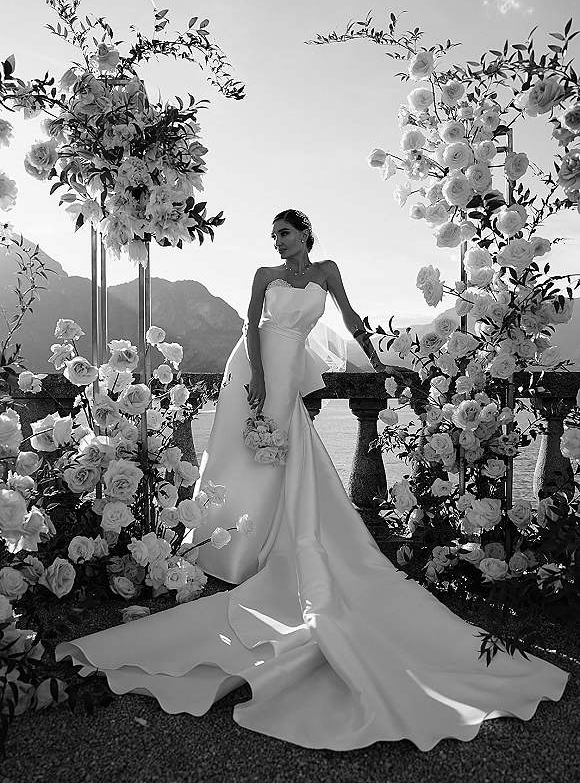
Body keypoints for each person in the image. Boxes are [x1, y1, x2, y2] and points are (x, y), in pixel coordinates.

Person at [57, 209, 569, 752]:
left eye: (285, 233)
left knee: (278, 456)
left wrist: (377, 361)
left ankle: (257, 543)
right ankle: (225, 547)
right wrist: (256, 379)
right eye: (273, 235)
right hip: (253, 368)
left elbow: (349, 318)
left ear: (305, 234)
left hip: (290, 365)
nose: (278, 242)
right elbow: (249, 327)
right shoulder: (263, 276)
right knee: (242, 456)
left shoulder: (327, 272)